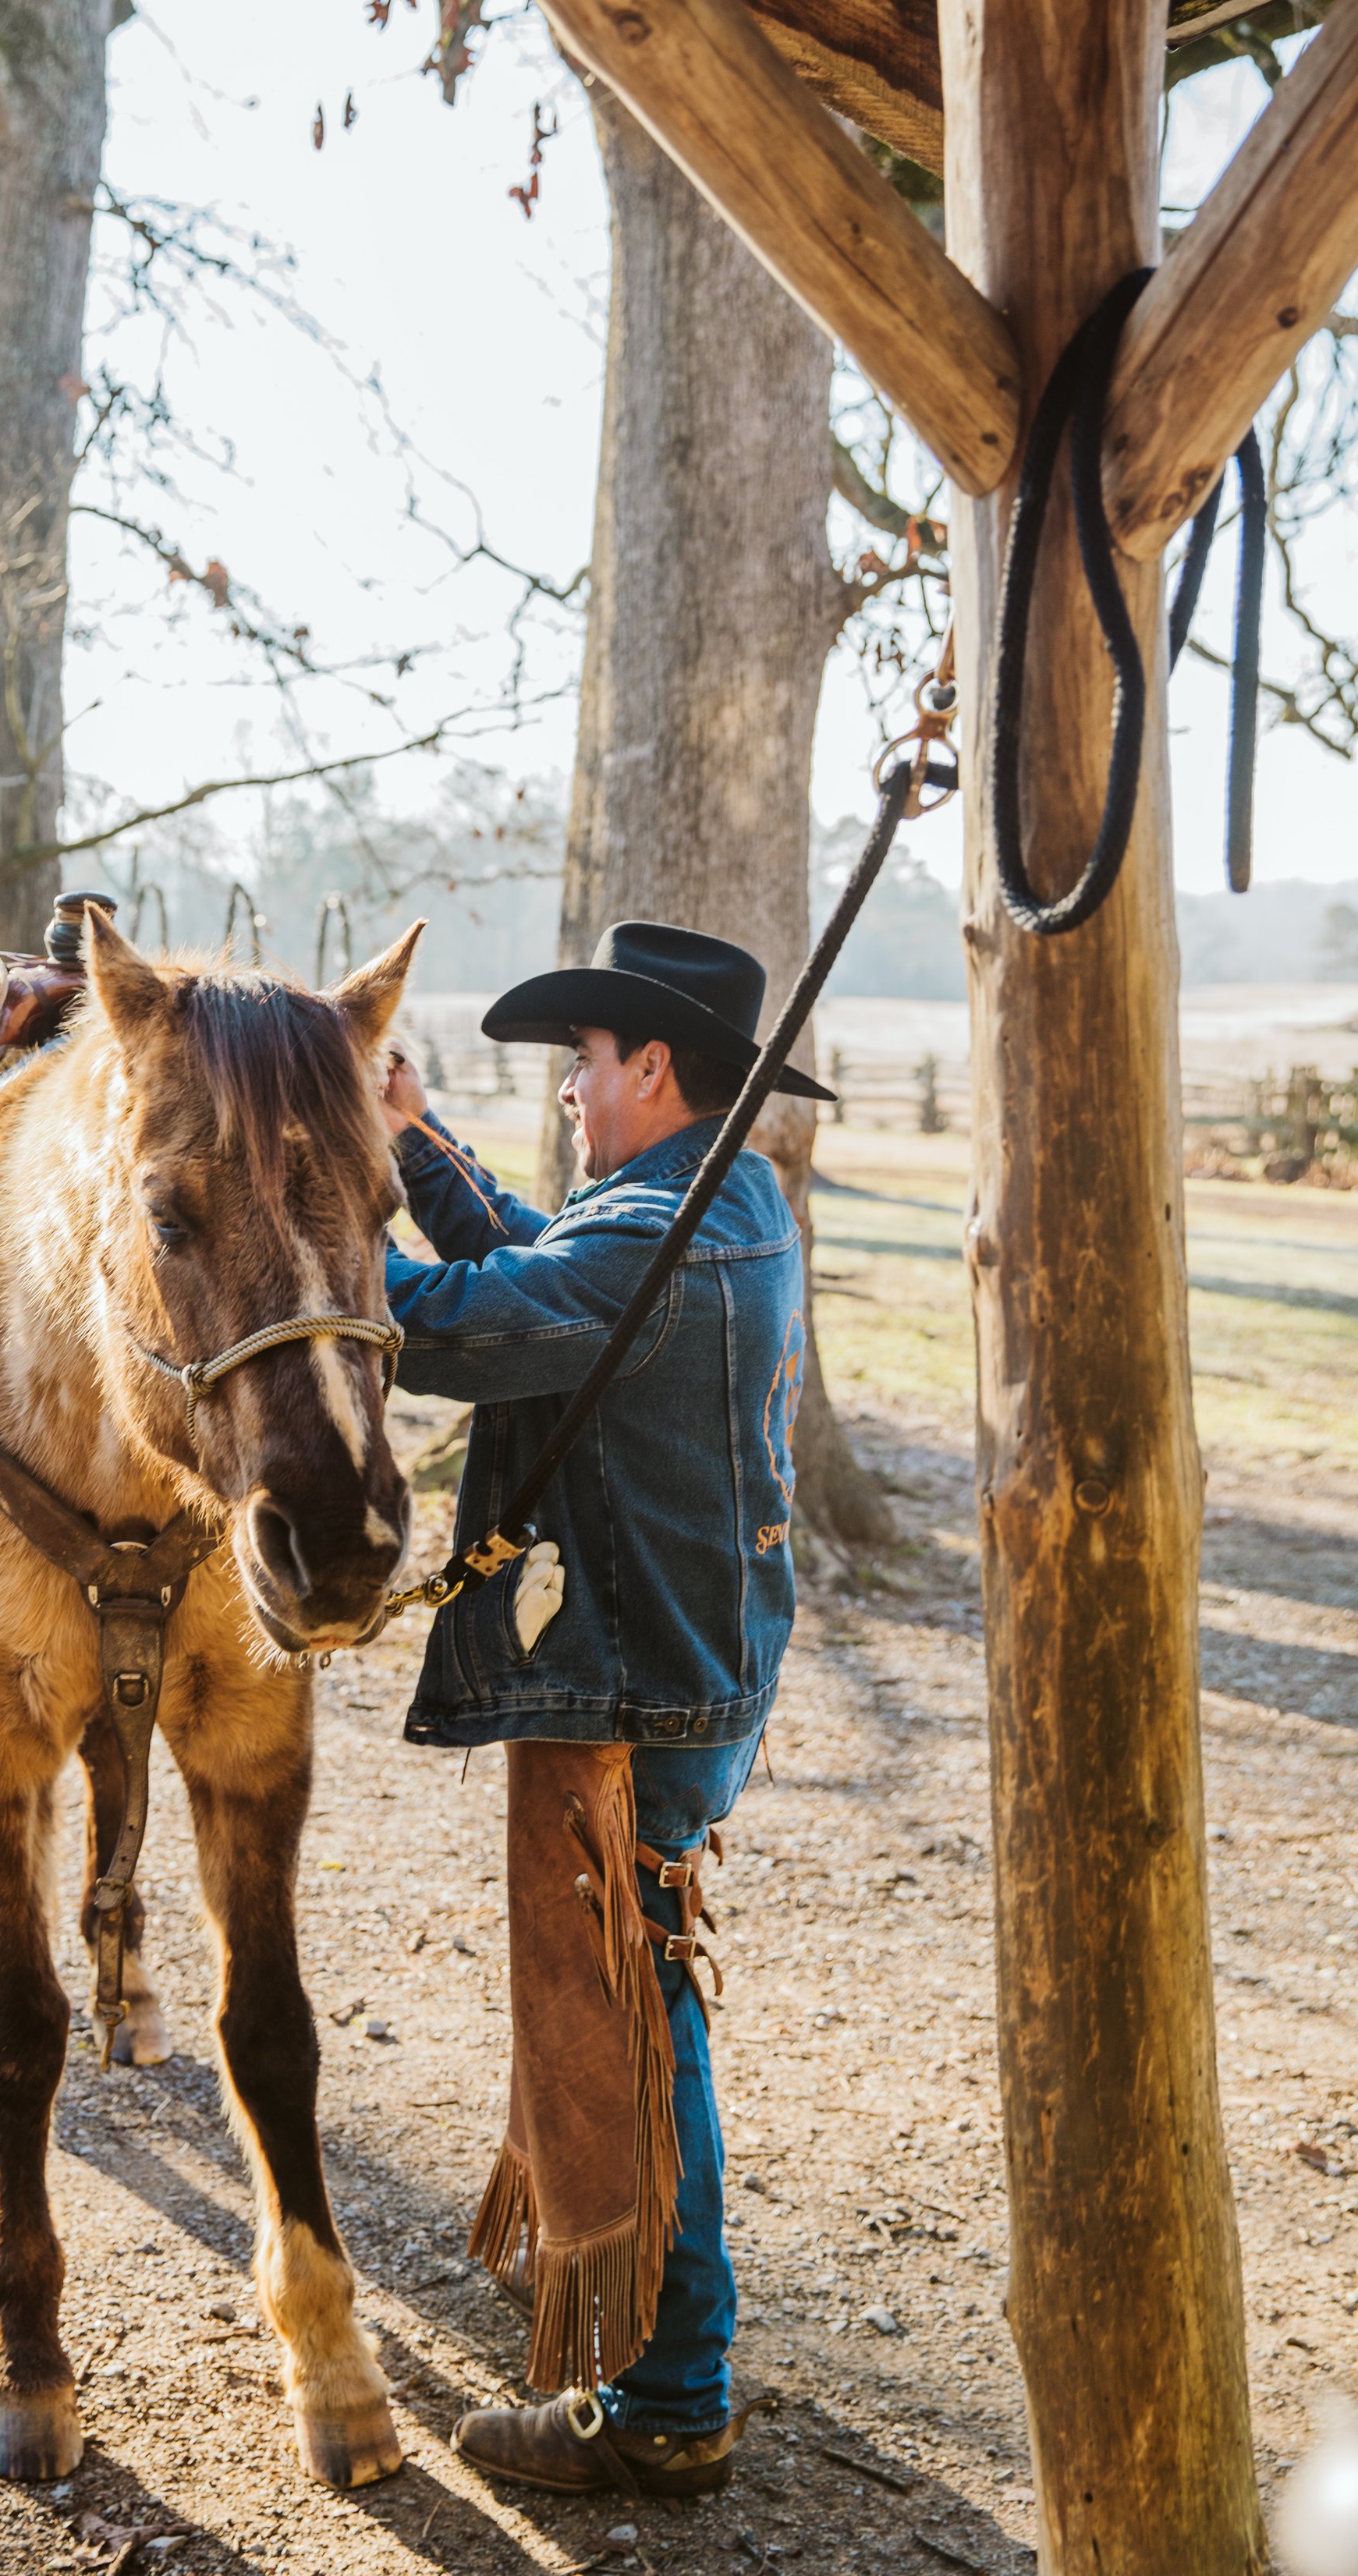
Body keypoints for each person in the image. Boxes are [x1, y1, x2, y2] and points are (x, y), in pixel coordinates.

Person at [379, 920, 826, 2500]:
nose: (568, 1091)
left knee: (638, 2030)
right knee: (640, 2007)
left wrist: (274, 1213)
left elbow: (460, 1327)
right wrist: (410, 1141)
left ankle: (666, 2396)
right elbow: (533, 1272)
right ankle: (645, 2329)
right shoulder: (709, 1201)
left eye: (581, 1063)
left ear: (647, 1065)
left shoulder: (665, 1234)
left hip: (642, 1688)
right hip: (687, 1667)